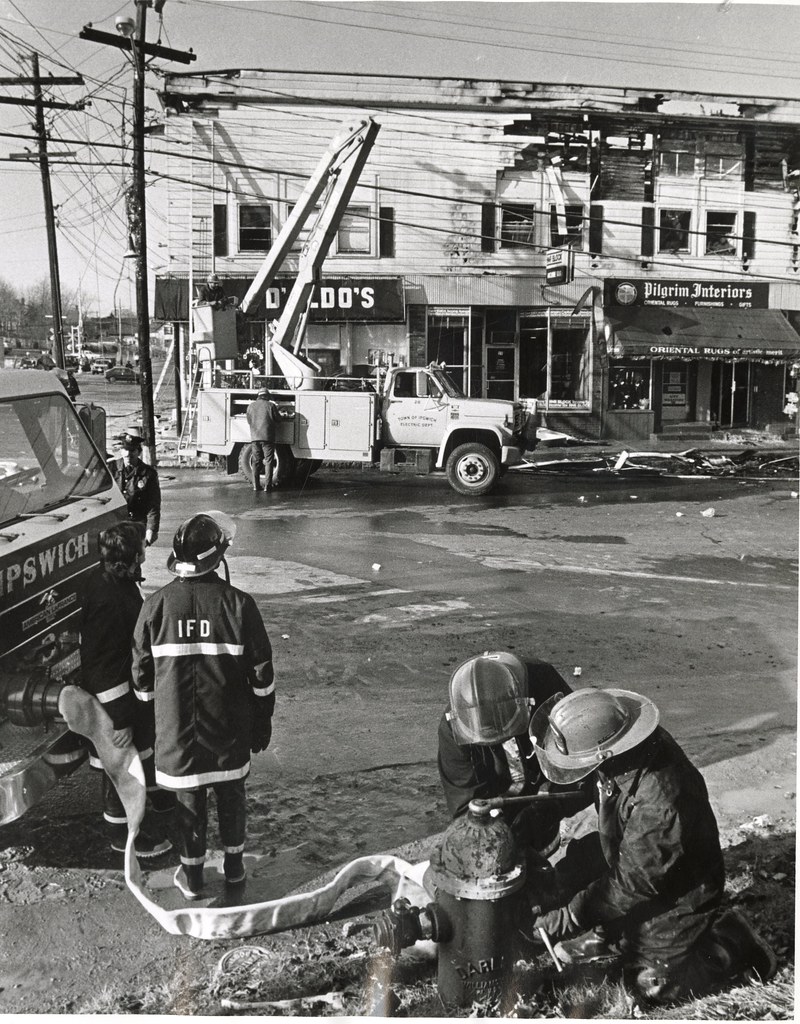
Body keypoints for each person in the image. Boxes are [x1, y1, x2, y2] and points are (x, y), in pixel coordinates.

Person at [528, 688, 778, 1002]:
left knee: (651, 985)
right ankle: (609, 934)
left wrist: (569, 918)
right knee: (572, 871)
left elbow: (631, 885)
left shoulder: (660, 804)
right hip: (629, 850)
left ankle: (732, 939)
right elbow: (586, 783)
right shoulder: (628, 747)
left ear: (608, 753)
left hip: (679, 891)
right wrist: (536, 813)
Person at [131, 511, 275, 899]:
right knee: (232, 798)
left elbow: (142, 682)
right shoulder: (240, 605)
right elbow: (262, 678)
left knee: (188, 805)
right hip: (230, 732)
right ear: (217, 558)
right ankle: (234, 870)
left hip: (177, 736)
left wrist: (155, 720)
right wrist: (261, 726)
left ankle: (193, 880)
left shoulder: (155, 607)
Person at [78, 521, 172, 859]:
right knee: (119, 759)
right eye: (140, 553)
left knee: (143, 748)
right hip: (114, 698)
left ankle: (154, 795)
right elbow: (100, 666)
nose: (145, 556)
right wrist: (118, 719)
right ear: (125, 560)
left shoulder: (114, 582)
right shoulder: (109, 600)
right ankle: (122, 831)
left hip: (127, 691)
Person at [437, 651, 586, 856]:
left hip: (547, 783)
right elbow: (465, 802)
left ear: (524, 704)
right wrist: (488, 830)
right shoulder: (456, 725)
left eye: (503, 732)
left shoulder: (544, 684)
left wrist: (553, 805)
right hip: (501, 792)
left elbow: (581, 759)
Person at [110, 434, 161, 546]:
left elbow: (153, 505)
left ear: (139, 452)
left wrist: (151, 529)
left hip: (136, 525)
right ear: (121, 451)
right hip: (113, 524)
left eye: (132, 450)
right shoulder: (110, 468)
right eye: (125, 450)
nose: (128, 454)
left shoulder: (148, 474)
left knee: (133, 560)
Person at [246, 388, 290, 492]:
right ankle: (268, 486)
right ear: (267, 396)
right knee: (269, 461)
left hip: (255, 438)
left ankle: (256, 486)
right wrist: (283, 415)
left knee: (256, 461)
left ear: (258, 396)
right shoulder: (271, 406)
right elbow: (278, 419)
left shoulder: (251, 406)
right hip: (267, 438)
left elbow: (249, 420)